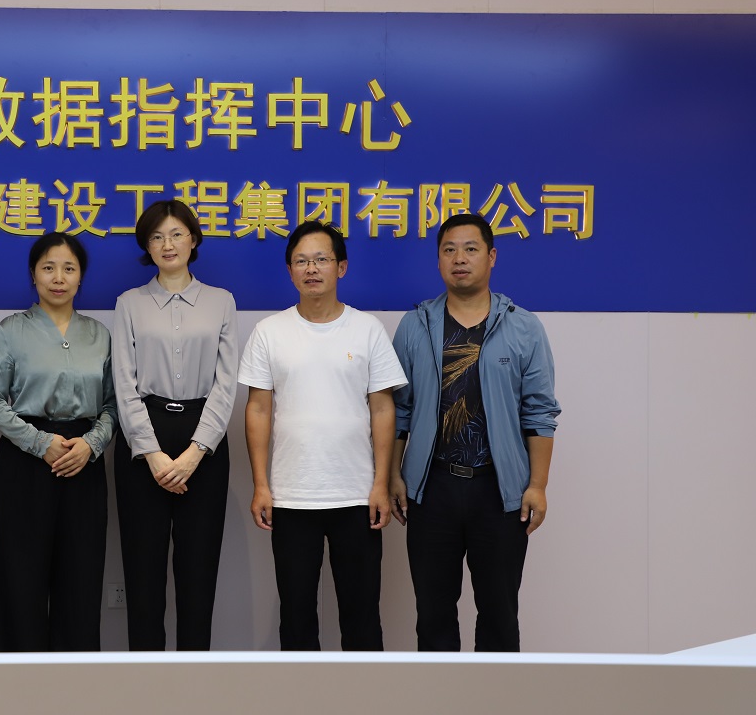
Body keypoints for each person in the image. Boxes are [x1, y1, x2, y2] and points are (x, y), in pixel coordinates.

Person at [390, 212, 560, 652]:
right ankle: (438, 691)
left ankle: (496, 690)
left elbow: (539, 412)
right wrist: (393, 475)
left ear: (492, 256)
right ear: (438, 260)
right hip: (432, 489)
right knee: (433, 616)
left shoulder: (524, 327)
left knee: (500, 615)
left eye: (470, 249)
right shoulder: (415, 326)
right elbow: (399, 410)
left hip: (499, 492)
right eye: (449, 250)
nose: (459, 259)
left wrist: (537, 485)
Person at [238, 220, 406, 651]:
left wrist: (381, 484)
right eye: (301, 261)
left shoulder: (367, 329)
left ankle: (365, 690)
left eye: (321, 259)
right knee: (296, 617)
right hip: (292, 496)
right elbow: (258, 409)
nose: (311, 269)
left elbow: (383, 409)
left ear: (341, 267)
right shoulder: (269, 331)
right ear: (290, 271)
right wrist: (261, 485)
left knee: (362, 615)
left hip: (356, 494)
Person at [111, 199, 238, 651]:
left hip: (204, 441)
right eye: (157, 236)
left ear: (194, 239)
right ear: (147, 245)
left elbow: (226, 384)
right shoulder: (129, 303)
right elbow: (123, 383)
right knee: (142, 572)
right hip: (142, 441)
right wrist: (152, 454)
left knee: (198, 571)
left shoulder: (222, 302)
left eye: (177, 234)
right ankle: (145, 678)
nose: (168, 244)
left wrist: (194, 453)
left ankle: (195, 678)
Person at [0, 232, 116, 651]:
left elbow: (114, 404)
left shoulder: (99, 335)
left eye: (69, 268)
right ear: (33, 275)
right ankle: (19, 680)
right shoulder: (11, 331)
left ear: (81, 277)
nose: (59, 278)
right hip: (26, 460)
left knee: (82, 576)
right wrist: (41, 443)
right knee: (20, 576)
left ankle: (76, 681)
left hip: (84, 462)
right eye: (49, 268)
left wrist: (92, 444)